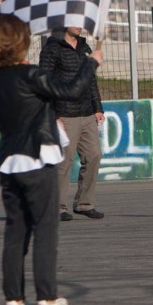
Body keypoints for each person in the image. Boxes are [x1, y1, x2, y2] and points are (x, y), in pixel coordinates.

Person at [0, 14, 103, 305]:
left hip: (10, 162)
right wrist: (92, 63)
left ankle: (14, 301)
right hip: (38, 158)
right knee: (46, 230)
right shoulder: (30, 75)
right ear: (19, 43)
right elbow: (71, 90)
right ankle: (47, 298)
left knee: (16, 233)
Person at [40, 26, 105, 221]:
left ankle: (85, 204)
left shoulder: (84, 47)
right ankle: (57, 207)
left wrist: (97, 107)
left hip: (86, 112)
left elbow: (90, 80)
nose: (80, 25)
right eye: (75, 20)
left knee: (93, 155)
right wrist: (52, 114)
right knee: (63, 162)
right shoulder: (52, 48)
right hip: (64, 115)